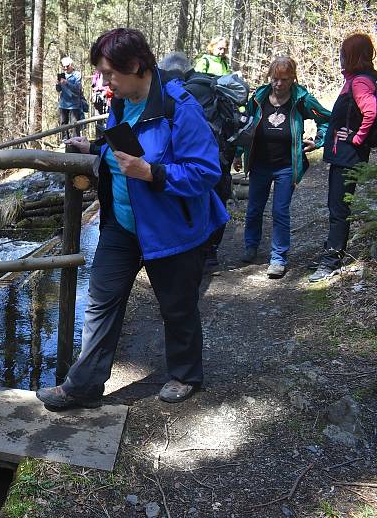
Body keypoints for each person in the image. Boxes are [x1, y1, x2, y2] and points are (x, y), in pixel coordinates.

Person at [36, 28, 228, 409]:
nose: (104, 82)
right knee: (100, 303)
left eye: (109, 73)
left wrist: (153, 173)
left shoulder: (179, 108)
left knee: (177, 307)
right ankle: (84, 386)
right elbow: (126, 143)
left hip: (172, 230)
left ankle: (185, 375)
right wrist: (93, 147)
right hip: (122, 225)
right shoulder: (121, 101)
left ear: (136, 66)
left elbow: (207, 171)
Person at [233, 57, 330, 278]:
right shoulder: (259, 97)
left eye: (284, 79)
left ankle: (278, 258)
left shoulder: (301, 99)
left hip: (287, 165)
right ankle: (251, 247)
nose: (278, 84)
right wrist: (239, 153)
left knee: (280, 211)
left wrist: (319, 140)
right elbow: (245, 125)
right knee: (254, 208)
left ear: (293, 78)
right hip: (259, 163)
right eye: (275, 79)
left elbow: (326, 118)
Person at [309, 33, 376, 282]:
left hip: (349, 156)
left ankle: (331, 261)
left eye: (343, 53)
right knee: (336, 206)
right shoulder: (354, 80)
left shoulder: (360, 82)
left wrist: (357, 139)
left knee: (338, 208)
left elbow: (370, 112)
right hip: (343, 155)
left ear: (353, 56)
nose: (340, 57)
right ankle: (331, 253)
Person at [160, 50, 234, 269]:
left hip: (197, 158)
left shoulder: (180, 93)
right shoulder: (208, 85)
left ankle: (200, 250)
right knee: (218, 197)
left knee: (198, 200)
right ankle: (211, 250)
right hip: (220, 154)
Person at [56, 56, 85, 140]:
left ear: (71, 65)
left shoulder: (77, 75)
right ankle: (65, 140)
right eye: (63, 66)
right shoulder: (62, 75)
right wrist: (58, 84)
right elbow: (58, 90)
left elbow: (77, 89)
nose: (65, 68)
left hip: (74, 104)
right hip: (63, 103)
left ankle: (76, 141)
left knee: (75, 124)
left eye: (67, 66)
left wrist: (67, 83)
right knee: (63, 123)